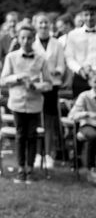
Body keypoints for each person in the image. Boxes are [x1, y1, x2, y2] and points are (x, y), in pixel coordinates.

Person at [0, 24, 52, 183]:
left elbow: (49, 84)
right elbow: (3, 80)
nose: (26, 41)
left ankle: (30, 168)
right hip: (17, 102)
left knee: (32, 135)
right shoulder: (11, 57)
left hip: (34, 103)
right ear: (18, 38)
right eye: (22, 37)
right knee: (20, 135)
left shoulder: (41, 59)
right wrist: (17, 78)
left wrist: (36, 86)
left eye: (29, 38)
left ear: (33, 38)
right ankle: (20, 167)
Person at [32, 13, 66, 168]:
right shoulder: (31, 43)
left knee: (50, 120)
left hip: (52, 85)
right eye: (41, 23)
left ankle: (48, 153)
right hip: (36, 87)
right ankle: (37, 154)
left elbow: (61, 65)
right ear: (36, 25)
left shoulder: (57, 44)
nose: (44, 26)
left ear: (50, 25)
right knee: (37, 120)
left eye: (46, 23)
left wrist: (57, 72)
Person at [67, 71, 96, 184]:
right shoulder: (85, 96)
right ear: (90, 83)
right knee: (94, 136)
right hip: (88, 125)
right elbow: (72, 115)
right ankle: (91, 168)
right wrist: (87, 114)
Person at [64, 1, 96, 98]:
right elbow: (69, 57)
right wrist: (80, 69)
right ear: (82, 16)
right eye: (86, 15)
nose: (89, 18)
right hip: (79, 77)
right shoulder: (73, 34)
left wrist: (93, 71)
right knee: (79, 109)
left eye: (92, 14)